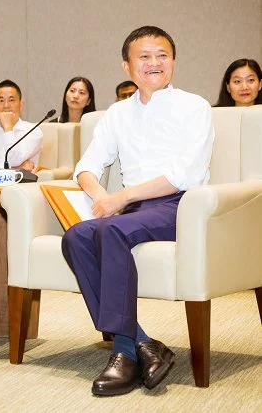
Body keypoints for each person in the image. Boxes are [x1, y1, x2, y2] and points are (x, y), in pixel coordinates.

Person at [61, 26, 214, 396]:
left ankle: (123, 353)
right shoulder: (116, 113)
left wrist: (120, 198)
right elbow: (86, 165)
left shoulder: (195, 107)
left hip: (181, 206)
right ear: (127, 66)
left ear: (173, 61)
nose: (154, 63)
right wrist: (101, 196)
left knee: (111, 230)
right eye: (144, 57)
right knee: (77, 235)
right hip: (133, 209)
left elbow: (184, 175)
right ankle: (144, 343)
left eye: (162, 55)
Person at [0, 79, 42, 171]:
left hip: (22, 184)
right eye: (1, 100)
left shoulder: (33, 131)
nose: (6, 105)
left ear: (21, 104)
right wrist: (13, 167)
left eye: (11, 100)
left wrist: (8, 128)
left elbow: (15, 160)